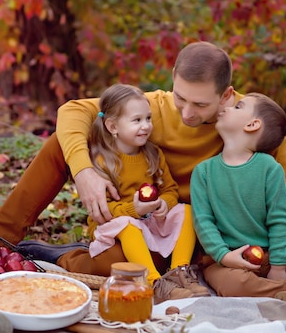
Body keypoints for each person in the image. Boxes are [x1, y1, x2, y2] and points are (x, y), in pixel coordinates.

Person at [0, 41, 286, 300]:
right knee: (61, 145)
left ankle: (68, 254)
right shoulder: (150, 109)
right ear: (173, 79)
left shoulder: (249, 123)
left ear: (227, 95)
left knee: (134, 264)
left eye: (200, 104)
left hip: (201, 241)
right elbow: (73, 112)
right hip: (147, 226)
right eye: (180, 97)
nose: (186, 112)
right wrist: (84, 172)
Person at [191, 92, 286, 300]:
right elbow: (203, 222)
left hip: (270, 255)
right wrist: (224, 255)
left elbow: (278, 220)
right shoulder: (203, 172)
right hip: (226, 262)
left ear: (252, 125)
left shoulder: (270, 169)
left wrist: (278, 265)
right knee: (233, 284)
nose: (227, 108)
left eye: (238, 107)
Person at [84, 83, 209, 302]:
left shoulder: (153, 154)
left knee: (187, 211)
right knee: (129, 226)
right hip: (113, 225)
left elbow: (170, 190)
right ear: (113, 126)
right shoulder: (104, 161)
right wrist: (134, 210)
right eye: (137, 120)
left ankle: (179, 271)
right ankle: (153, 282)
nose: (145, 126)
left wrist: (164, 204)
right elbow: (101, 210)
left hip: (149, 220)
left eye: (148, 119)